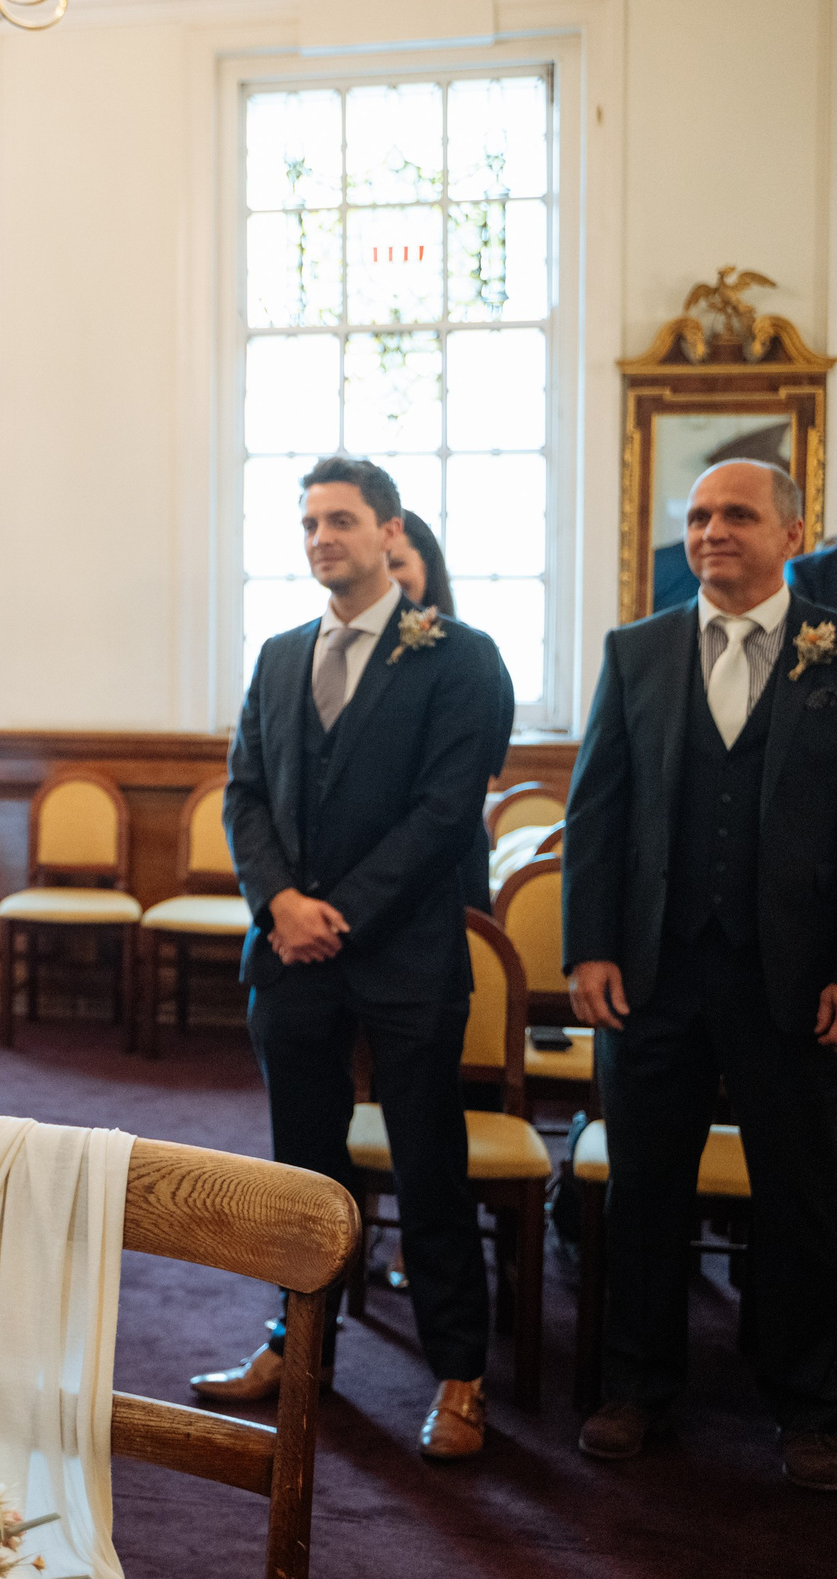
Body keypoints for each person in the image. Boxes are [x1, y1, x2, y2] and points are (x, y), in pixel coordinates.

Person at [202, 455, 509, 1461]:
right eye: (308, 523)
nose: (321, 538)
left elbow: (443, 813)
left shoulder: (460, 657)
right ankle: (299, 1347)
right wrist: (280, 904)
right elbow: (244, 793)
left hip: (406, 957)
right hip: (290, 955)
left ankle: (459, 1373)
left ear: (389, 531)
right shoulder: (280, 654)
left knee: (428, 1164)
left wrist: (340, 914)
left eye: (340, 519)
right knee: (301, 1168)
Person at [563, 459, 837, 1490]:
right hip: (654, 973)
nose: (712, 530)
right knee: (644, 1187)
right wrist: (589, 945)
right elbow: (595, 809)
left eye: (737, 514)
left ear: (792, 532)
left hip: (792, 976)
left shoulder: (831, 644)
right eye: (698, 516)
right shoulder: (636, 650)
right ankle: (636, 1386)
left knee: (804, 1195)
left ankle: (810, 1405)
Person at [387, 510, 516, 911]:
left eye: (397, 563)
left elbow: (476, 782)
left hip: (447, 863)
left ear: (428, 566)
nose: (385, 578)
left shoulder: (476, 660)